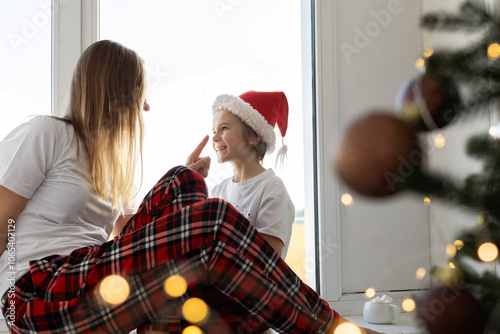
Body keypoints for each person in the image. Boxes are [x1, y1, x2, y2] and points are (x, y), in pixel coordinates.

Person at [0, 40, 382, 334]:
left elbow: (123, 233)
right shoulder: (45, 133)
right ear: (113, 90)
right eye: (138, 92)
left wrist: (185, 179)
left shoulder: (104, 162)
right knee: (213, 220)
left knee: (184, 181)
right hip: (37, 291)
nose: (145, 107)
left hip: (92, 282)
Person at [210, 91, 294, 258]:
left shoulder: (271, 188)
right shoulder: (218, 191)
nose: (215, 138)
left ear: (255, 136)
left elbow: (268, 260)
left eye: (224, 128)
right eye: (214, 131)